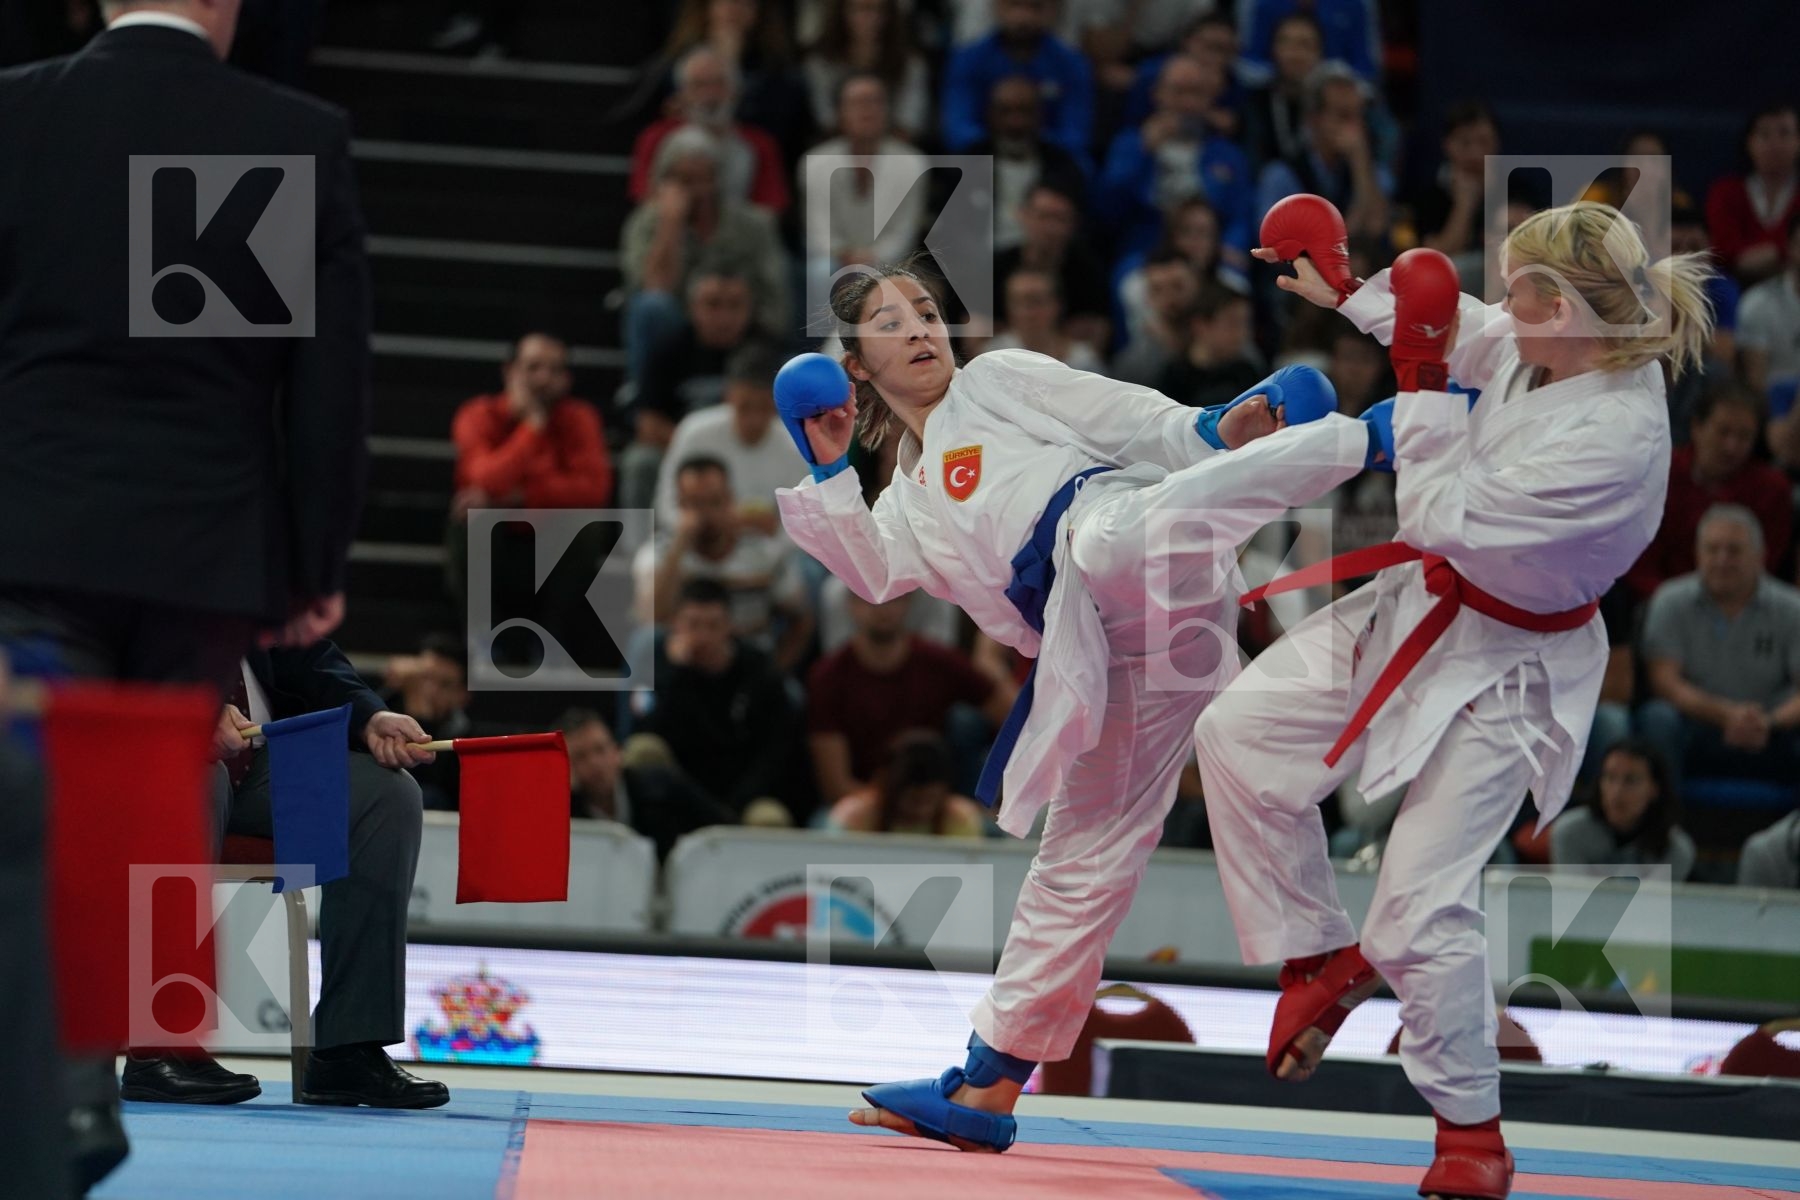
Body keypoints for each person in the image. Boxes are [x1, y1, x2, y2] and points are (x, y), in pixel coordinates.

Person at [775, 259, 1376, 1151]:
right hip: (1111, 649)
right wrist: (829, 466)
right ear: (856, 367)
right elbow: (870, 571)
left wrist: (1220, 426)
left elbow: (1124, 416)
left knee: (1108, 538)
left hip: (1126, 542)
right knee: (1080, 857)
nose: (921, 330)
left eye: (927, 312)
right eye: (891, 324)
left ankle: (1373, 440)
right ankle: (990, 1084)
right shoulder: (906, 501)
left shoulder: (995, 381)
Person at [1194, 198, 1715, 1200]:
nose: (1501, 303)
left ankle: (1471, 1134)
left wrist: (1421, 381)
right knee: (1237, 735)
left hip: (1514, 667)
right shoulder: (1563, 347)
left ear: (1565, 308)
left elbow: (1431, 510)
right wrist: (1352, 293)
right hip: (1425, 605)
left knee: (1417, 912)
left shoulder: (1614, 440)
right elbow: (1470, 330)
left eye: (1519, 290)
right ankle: (1317, 955)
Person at [0, 1, 372, 1188]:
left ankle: (61, 1091)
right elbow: (327, 382)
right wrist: (311, 567)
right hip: (196, 563)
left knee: (39, 804)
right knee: (141, 809)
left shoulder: (17, 113)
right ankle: (101, 1072)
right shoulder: (286, 132)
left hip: (34, 544)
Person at [173, 644, 448, 1109]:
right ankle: (163, 1045)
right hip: (162, 747)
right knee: (200, 776)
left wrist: (370, 717)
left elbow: (308, 657)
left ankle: (347, 1048)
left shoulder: (265, 595)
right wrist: (187, 709)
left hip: (261, 764)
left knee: (388, 795)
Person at [444, 332, 614, 624]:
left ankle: (552, 636)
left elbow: (593, 490)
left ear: (567, 379)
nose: (543, 378)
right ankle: (481, 635)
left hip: (552, 542)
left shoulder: (580, 418)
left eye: (554, 370)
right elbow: (483, 480)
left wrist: (522, 496)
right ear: (509, 371)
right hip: (497, 544)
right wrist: (532, 428)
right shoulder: (478, 414)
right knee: (471, 520)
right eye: (533, 367)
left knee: (587, 526)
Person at [1638, 504, 1800, 788]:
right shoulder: (1669, 601)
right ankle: (1664, 815)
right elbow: (1665, 682)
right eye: (1712, 549)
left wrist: (1769, 722)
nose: (1722, 560)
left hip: (1772, 730)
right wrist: (1726, 715)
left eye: (1734, 550)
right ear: (1697, 554)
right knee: (1657, 718)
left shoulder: (1792, 608)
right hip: (1697, 727)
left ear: (1760, 556)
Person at [807, 590, 1013, 804]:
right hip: (864, 806)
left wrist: (999, 796)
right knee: (829, 822)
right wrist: (902, 807)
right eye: (867, 598)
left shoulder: (938, 661)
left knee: (966, 723)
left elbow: (1011, 715)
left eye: (894, 598)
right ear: (851, 604)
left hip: (939, 806)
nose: (882, 608)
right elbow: (836, 788)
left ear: (908, 601)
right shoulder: (828, 677)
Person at [620, 126, 789, 383]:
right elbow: (655, 287)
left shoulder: (753, 225)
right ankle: (643, 393)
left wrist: (730, 313)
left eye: (704, 179)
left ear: (718, 180)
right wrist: (670, 225)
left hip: (744, 324)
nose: (697, 191)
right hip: (679, 331)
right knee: (651, 307)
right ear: (663, 182)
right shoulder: (645, 224)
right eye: (684, 181)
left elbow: (775, 295)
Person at [622, 579, 798, 818]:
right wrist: (678, 674)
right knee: (642, 749)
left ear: (730, 626)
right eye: (693, 625)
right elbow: (643, 731)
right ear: (675, 624)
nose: (703, 636)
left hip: (740, 794)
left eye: (713, 625)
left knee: (769, 817)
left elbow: (774, 750)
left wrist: (736, 804)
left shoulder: (759, 670)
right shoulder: (656, 665)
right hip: (675, 790)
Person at [634, 455, 813, 669]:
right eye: (694, 504)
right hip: (679, 667)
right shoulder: (658, 555)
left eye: (714, 502)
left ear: (730, 500)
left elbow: (800, 621)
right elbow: (651, 619)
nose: (706, 513)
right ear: (679, 505)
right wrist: (679, 546)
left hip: (749, 666)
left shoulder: (765, 552)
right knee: (644, 642)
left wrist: (775, 672)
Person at [1622, 383, 1791, 604]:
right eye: (1723, 432)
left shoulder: (1771, 490)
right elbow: (1638, 559)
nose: (1731, 446)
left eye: (1744, 436)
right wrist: (1672, 603)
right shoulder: (1660, 472)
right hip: (1659, 604)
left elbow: (1764, 564)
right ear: (1697, 427)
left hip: (1742, 607)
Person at [1095, 54, 1255, 274]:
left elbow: (1240, 215)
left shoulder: (1227, 154)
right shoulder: (1130, 144)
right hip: (1145, 252)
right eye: (1179, 92)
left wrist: (1230, 246)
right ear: (1158, 94)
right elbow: (1107, 211)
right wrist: (1143, 153)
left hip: (1212, 253)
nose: (1187, 103)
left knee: (1234, 282)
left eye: (1196, 93)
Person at [623, 262, 762, 510]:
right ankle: (639, 536)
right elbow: (648, 423)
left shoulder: (765, 353)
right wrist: (700, 449)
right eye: (713, 304)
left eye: (734, 305)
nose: (724, 317)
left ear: (749, 309)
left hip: (748, 448)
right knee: (641, 461)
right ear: (692, 307)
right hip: (679, 452)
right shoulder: (667, 349)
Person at [653, 342, 808, 538]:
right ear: (729, 395)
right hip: (697, 541)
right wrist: (700, 524)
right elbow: (666, 503)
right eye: (745, 406)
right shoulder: (693, 431)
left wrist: (774, 533)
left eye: (764, 407)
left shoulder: (795, 446)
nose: (754, 419)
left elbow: (801, 523)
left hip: (764, 548)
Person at [799, 73, 930, 286]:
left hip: (892, 262)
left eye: (875, 101)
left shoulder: (913, 163)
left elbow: (904, 233)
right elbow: (818, 231)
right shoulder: (815, 163)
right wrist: (846, 256)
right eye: (857, 103)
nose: (867, 110)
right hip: (835, 261)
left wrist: (871, 259)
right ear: (840, 112)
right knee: (821, 271)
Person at [629, 45, 790, 215]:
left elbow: (769, 210)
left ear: (736, 91)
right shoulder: (656, 137)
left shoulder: (760, 144)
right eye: (699, 85)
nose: (710, 95)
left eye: (719, 84)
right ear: (682, 93)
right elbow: (645, 200)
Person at [556, 709, 737, 861]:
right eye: (580, 756)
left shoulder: (663, 789)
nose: (595, 763)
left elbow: (725, 828)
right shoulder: (563, 815)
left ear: (617, 751)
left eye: (600, 750)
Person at [940, 0, 1092, 164]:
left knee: (1081, 166)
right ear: (997, 7)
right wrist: (1000, 146)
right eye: (1015, 5)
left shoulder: (1071, 64)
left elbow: (1076, 133)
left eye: (1035, 7)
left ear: (1053, 11)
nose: (1023, 17)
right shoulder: (968, 60)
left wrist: (1031, 146)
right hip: (984, 155)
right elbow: (958, 127)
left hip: (1050, 159)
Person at [968, 75, 1090, 255]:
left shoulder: (1064, 167)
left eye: (1025, 111)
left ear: (1041, 115)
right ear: (990, 114)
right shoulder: (965, 165)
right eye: (1005, 111)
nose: (1015, 123)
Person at [1550, 740, 1696, 881]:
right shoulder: (1570, 832)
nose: (1617, 791)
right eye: (1610, 777)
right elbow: (1573, 894)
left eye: (1631, 780)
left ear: (1654, 789)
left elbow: (1652, 898)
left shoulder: (1675, 848)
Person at [992, 183, 1112, 350]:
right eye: (1043, 216)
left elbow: (1097, 332)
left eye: (1060, 218)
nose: (1050, 228)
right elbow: (975, 332)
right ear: (1022, 214)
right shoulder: (994, 267)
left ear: (1074, 223)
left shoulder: (1090, 272)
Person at [801, 0, 930, 141]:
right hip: (838, 143)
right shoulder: (820, 62)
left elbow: (909, 120)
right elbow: (826, 119)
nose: (870, 18)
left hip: (894, 145)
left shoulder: (911, 63)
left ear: (890, 15)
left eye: (878, 10)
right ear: (842, 13)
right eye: (860, 9)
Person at [825, 731, 989, 837]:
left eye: (930, 800)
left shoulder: (960, 818)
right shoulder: (854, 818)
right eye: (914, 799)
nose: (922, 809)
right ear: (890, 790)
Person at [1705, 103, 1800, 285]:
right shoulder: (1725, 192)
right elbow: (1721, 251)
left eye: (1784, 133)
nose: (1774, 144)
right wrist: (1782, 254)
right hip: (1733, 287)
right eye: (1764, 134)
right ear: (1749, 143)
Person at [380, 633, 472, 812]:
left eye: (444, 684)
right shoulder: (381, 712)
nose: (430, 691)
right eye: (425, 678)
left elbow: (423, 787)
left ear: (463, 695)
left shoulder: (466, 737)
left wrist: (421, 715)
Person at [1238, 9, 1321, 170]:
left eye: (1305, 44)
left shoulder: (1329, 105)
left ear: (1319, 53)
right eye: (1286, 43)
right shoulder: (1256, 103)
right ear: (1273, 50)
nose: (1294, 54)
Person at [1158, 286, 1262, 408]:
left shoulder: (1246, 372)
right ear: (1201, 326)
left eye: (1245, 323)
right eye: (1232, 323)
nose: (1243, 333)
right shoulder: (1174, 378)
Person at [985, 268, 1105, 372]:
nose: (1027, 313)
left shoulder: (1083, 360)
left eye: (1036, 302)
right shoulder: (994, 355)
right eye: (1017, 302)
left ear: (1057, 305)